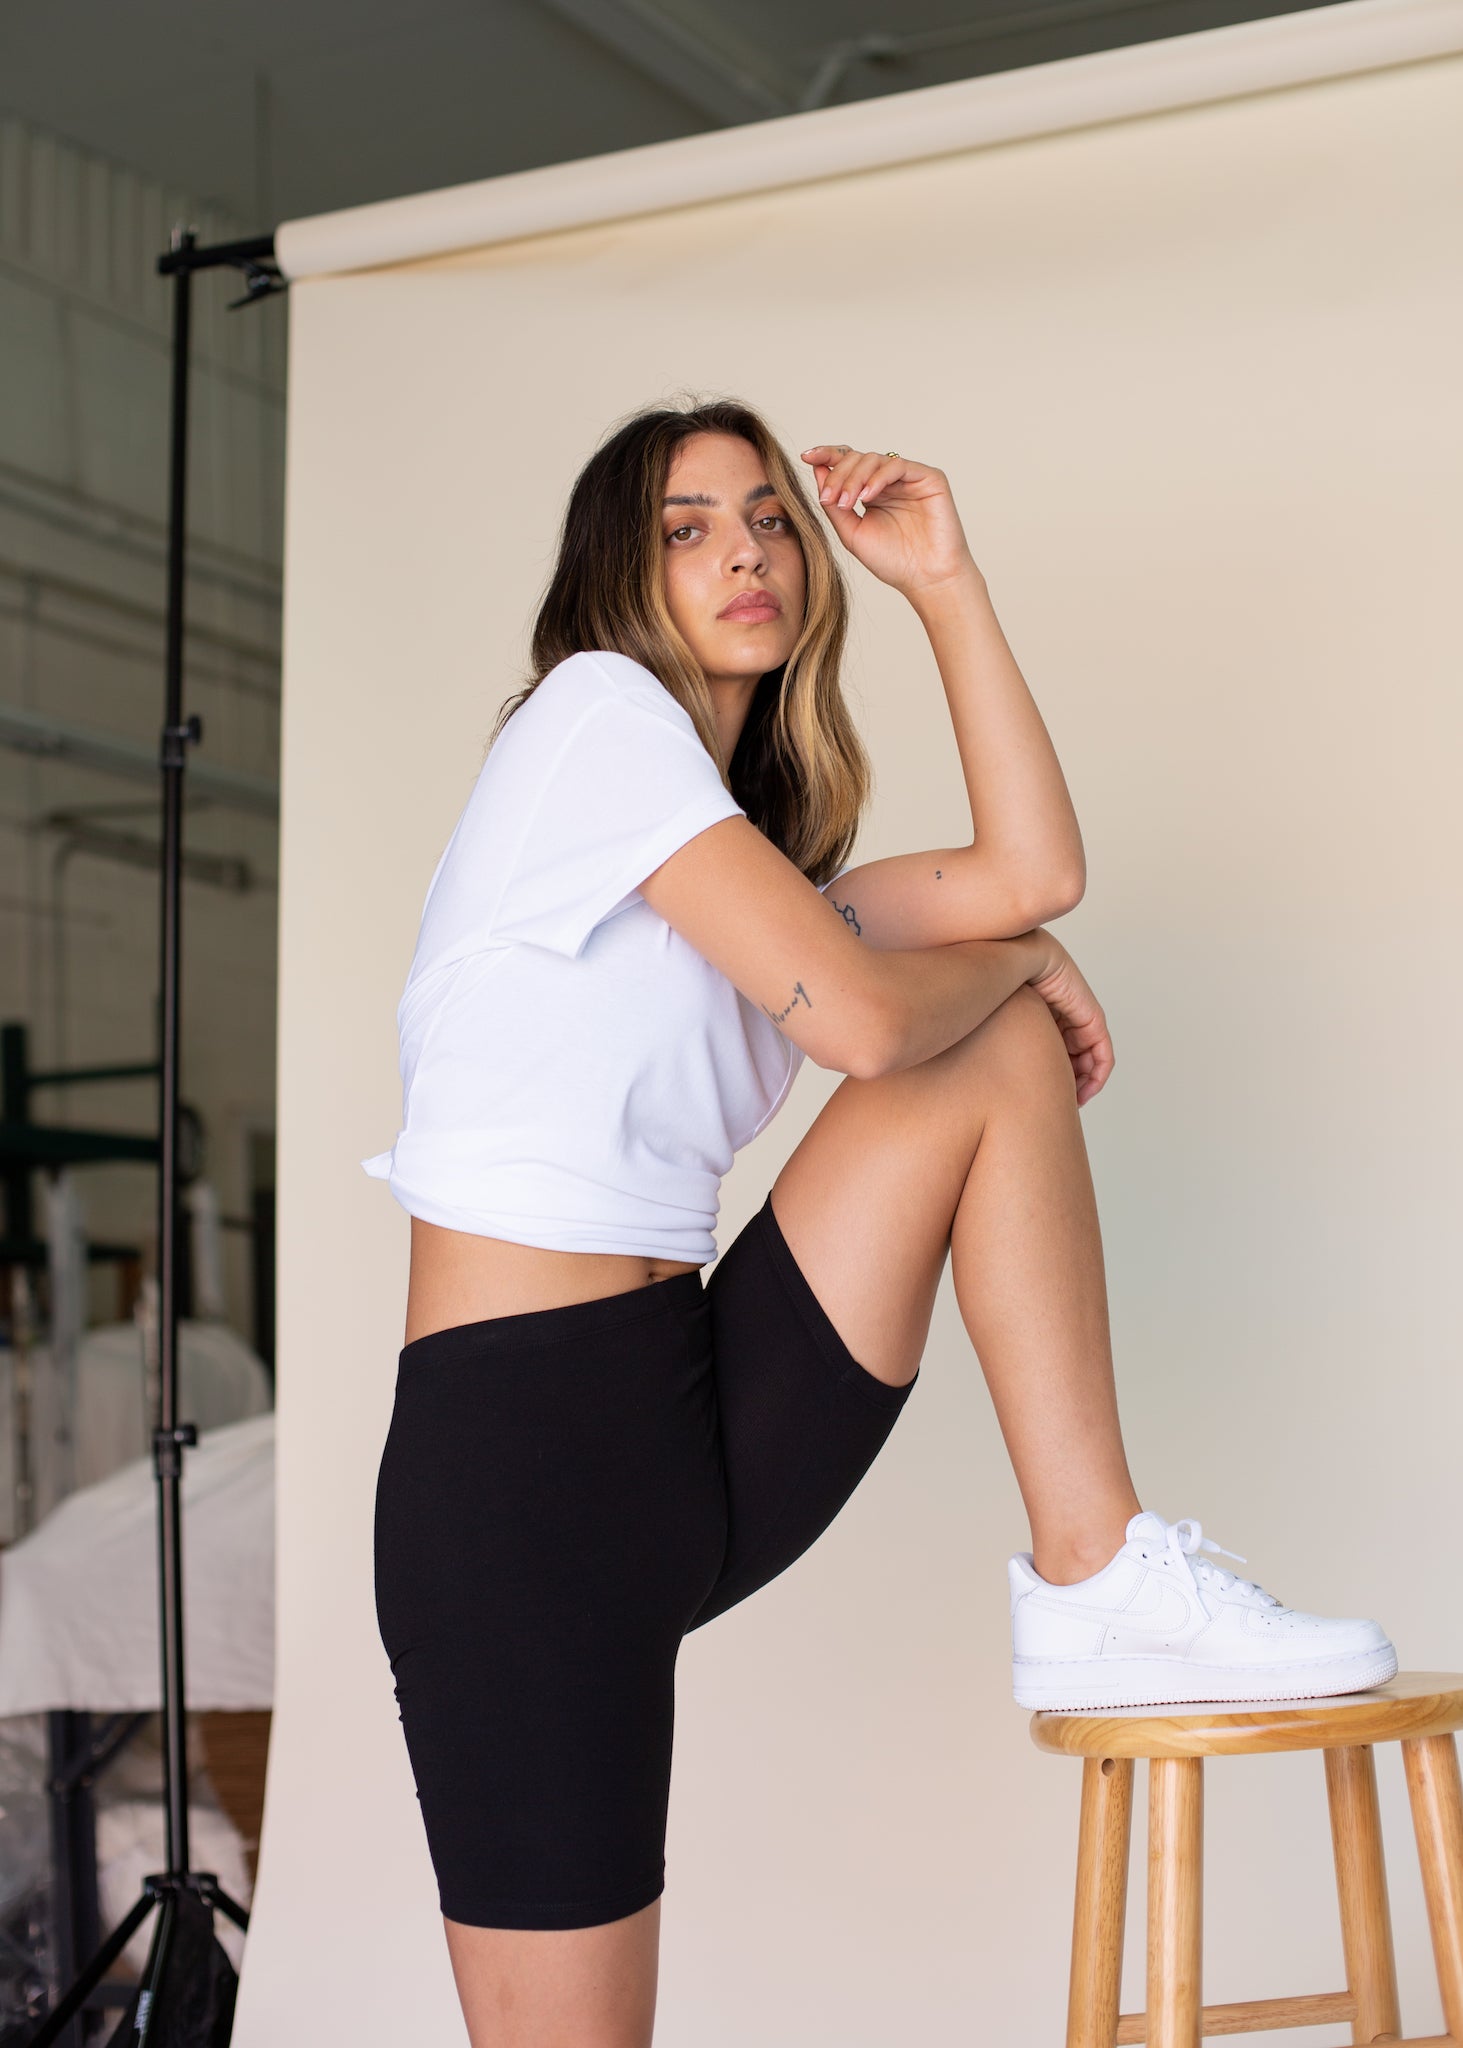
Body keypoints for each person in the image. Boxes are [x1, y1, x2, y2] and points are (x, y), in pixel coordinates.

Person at [363, 397, 1395, 2047]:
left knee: (978, 1038)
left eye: (770, 519)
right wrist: (1021, 970)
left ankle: (1097, 1574)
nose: (747, 552)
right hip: (522, 1487)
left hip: (688, 1411)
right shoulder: (591, 715)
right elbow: (860, 1012)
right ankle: (1095, 1581)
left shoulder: (745, 875)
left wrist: (947, 582)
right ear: (617, 578)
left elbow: (1029, 869)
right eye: (688, 527)